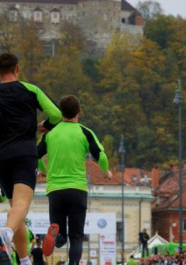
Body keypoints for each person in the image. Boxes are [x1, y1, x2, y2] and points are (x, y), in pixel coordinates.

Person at [0, 53, 61, 265]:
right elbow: (56, 114)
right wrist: (44, 126)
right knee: (21, 205)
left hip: (0, 156)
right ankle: (5, 234)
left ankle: (23, 260)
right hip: (24, 153)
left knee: (16, 209)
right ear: (17, 69)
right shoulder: (31, 90)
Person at [37, 95, 111, 265]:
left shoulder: (50, 135)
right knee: (76, 236)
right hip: (77, 189)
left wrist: (43, 169)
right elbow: (101, 155)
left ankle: (54, 236)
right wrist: (106, 171)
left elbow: (36, 155)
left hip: (55, 190)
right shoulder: (85, 132)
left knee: (61, 235)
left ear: (61, 112)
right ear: (79, 111)